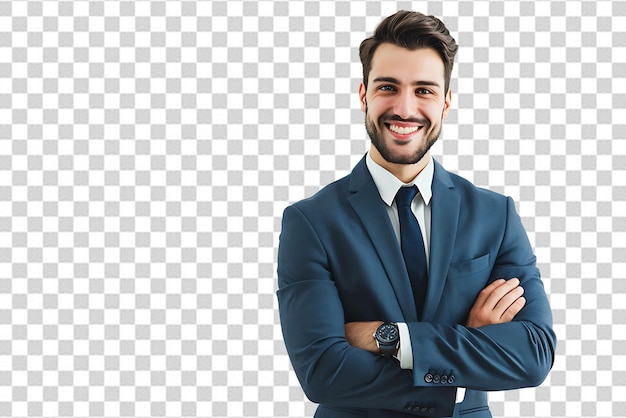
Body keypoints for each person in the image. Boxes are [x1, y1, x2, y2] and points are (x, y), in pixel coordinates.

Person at [276, 10, 556, 418]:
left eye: (423, 90)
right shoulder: (311, 222)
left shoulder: (496, 215)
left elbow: (533, 353)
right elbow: (322, 371)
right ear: (363, 95)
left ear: (446, 102)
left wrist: (390, 338)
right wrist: (465, 356)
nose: (404, 109)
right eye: (388, 87)